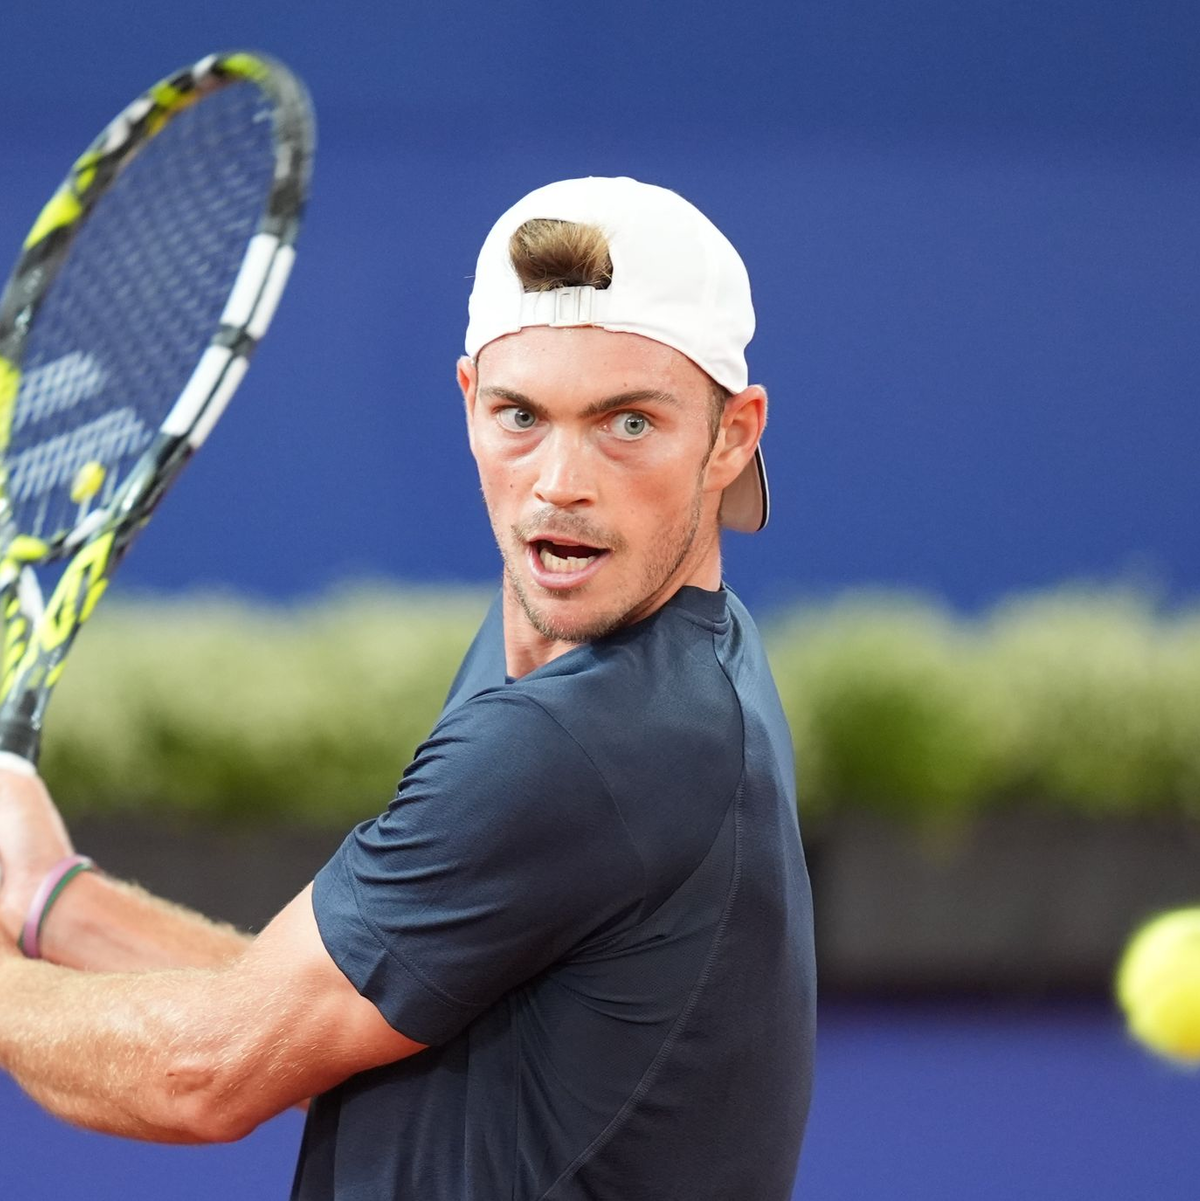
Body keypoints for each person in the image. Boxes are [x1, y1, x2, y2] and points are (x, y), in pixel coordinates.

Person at [0, 176, 816, 1200]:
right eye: (522, 414)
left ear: (733, 434)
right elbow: (319, 1010)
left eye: (629, 425)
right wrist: (44, 898)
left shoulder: (589, 743)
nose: (561, 480)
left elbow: (199, 1071)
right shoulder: (646, 660)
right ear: (470, 400)